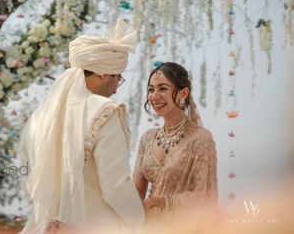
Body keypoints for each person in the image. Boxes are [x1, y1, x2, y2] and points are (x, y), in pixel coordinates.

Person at [19, 19, 145, 233]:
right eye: (118, 77)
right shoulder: (105, 110)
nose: (117, 86)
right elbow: (115, 185)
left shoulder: (41, 116)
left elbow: (28, 177)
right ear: (103, 73)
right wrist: (141, 221)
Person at [133, 62, 218, 223]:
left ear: (183, 93)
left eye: (163, 88)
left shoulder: (201, 139)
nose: (154, 96)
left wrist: (165, 203)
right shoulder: (147, 138)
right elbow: (136, 192)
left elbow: (205, 195)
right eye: (151, 90)